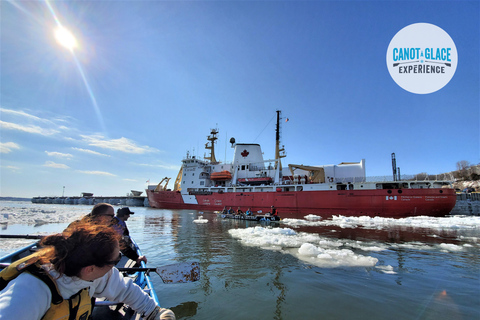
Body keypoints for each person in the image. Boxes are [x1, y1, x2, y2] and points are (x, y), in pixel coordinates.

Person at [0, 222, 175, 320]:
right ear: (90, 268)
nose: (117, 265)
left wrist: (157, 313)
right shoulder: (28, 294)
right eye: (115, 260)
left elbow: (127, 291)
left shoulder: (96, 276)